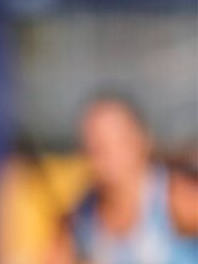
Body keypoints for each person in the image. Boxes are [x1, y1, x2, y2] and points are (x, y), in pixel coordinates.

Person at [48, 93, 198, 264]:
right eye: (96, 145)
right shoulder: (81, 217)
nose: (106, 154)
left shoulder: (175, 200)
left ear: (142, 140)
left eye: (117, 141)